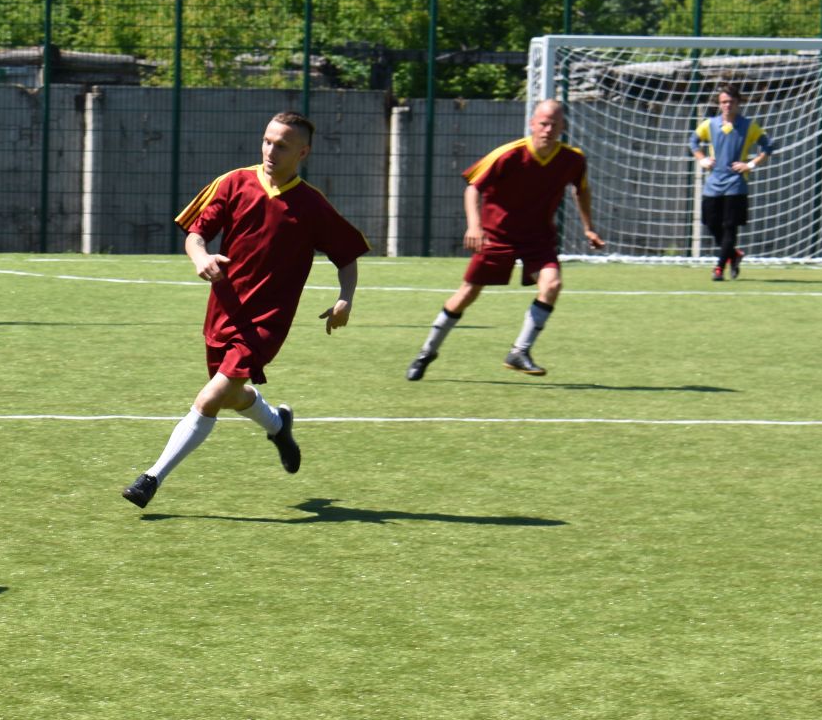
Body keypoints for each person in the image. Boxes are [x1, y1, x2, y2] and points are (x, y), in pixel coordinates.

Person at [121, 112, 366, 510]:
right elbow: (196, 233)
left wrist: (346, 297)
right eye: (268, 141)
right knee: (233, 395)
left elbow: (347, 256)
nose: (271, 150)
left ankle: (151, 478)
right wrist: (199, 257)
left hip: (267, 322)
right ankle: (278, 425)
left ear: (302, 152)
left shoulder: (311, 204)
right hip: (224, 310)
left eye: (282, 145)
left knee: (210, 398)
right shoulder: (233, 182)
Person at [406, 99, 604, 381]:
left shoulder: (573, 159)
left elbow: (581, 190)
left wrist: (589, 227)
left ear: (563, 127)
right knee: (467, 294)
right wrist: (475, 226)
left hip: (538, 238)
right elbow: (473, 189)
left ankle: (519, 352)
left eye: (554, 124)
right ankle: (427, 352)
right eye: (543, 123)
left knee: (552, 285)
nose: (548, 129)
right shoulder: (508, 154)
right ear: (532, 123)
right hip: (498, 236)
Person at [692, 83, 772, 281]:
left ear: (738, 103)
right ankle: (734, 255)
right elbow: (693, 141)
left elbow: (768, 146)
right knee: (711, 223)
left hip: (736, 184)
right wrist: (702, 159)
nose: (727, 105)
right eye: (724, 102)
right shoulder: (709, 124)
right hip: (714, 183)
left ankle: (719, 268)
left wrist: (750, 165)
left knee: (729, 226)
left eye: (731, 102)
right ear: (719, 104)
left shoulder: (749, 126)